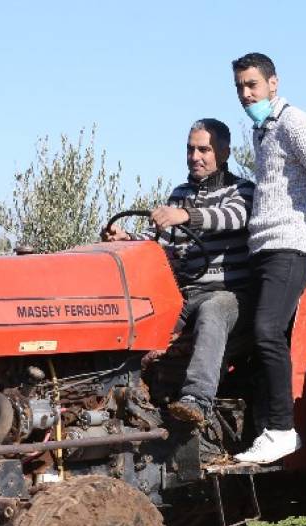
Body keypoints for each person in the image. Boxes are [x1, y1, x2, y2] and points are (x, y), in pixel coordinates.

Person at [229, 52, 306, 465]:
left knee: (267, 330)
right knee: (252, 336)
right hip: (263, 247)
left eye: (252, 85)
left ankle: (281, 430)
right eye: (240, 87)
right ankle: (263, 428)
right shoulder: (262, 129)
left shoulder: (294, 121)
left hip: (291, 244)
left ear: (273, 84)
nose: (246, 94)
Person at [104, 118, 254, 424]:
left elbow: (232, 217)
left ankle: (197, 400)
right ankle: (123, 395)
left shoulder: (243, 190)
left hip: (230, 295)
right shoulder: (181, 192)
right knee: (142, 314)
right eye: (190, 149)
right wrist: (128, 240)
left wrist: (185, 215)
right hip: (186, 293)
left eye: (204, 149)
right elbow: (161, 238)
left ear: (224, 152)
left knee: (213, 311)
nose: (195, 156)